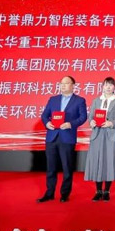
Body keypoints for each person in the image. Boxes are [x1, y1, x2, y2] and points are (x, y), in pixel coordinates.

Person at [38, 75, 87, 203]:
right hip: (52, 136)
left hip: (67, 137)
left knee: (67, 168)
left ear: (73, 85)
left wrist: (71, 124)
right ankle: (49, 193)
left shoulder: (79, 100)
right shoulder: (53, 99)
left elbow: (83, 117)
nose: (63, 85)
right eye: (61, 83)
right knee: (51, 168)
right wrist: (47, 123)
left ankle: (64, 194)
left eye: (66, 83)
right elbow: (44, 115)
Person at [85, 76, 115, 201]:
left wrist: (111, 123)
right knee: (97, 161)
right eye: (106, 84)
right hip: (97, 134)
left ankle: (107, 191)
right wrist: (91, 122)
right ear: (102, 86)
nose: (108, 87)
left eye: (111, 85)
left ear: (114, 87)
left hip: (111, 134)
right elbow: (90, 116)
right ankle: (98, 191)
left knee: (109, 162)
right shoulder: (96, 101)